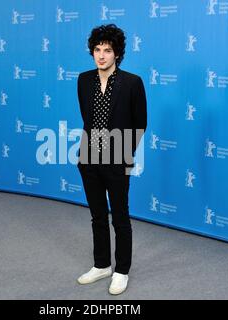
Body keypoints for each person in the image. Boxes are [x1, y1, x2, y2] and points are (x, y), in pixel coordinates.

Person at [76, 24, 147, 295]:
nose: (102, 55)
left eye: (108, 50)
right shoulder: (84, 80)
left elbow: (140, 124)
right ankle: (102, 265)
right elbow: (87, 119)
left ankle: (121, 271)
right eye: (97, 49)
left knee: (120, 217)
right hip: (88, 159)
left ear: (117, 53)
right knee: (97, 216)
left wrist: (122, 156)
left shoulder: (132, 82)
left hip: (117, 161)